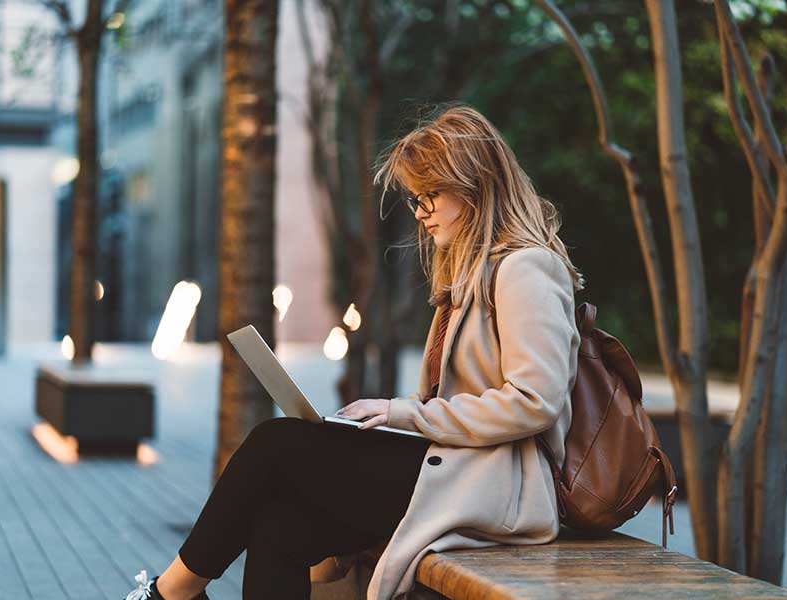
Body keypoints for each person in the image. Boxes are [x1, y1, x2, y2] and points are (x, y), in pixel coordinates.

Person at [122, 103, 584, 600]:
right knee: (281, 525)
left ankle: (172, 593)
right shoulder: (468, 277)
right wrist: (394, 418)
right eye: (414, 198)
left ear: (477, 186)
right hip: (455, 468)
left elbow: (535, 402)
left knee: (275, 444)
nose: (420, 211)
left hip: (501, 486)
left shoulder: (527, 269)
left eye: (432, 194)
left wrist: (402, 413)